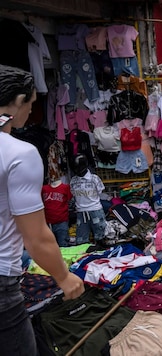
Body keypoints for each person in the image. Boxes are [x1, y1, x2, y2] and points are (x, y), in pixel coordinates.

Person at [0, 64, 84, 354]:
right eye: (31, 104)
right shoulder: (19, 153)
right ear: (19, 102)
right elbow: (35, 236)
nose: (31, 113)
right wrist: (63, 276)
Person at [69, 154, 108, 245]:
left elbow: (99, 192)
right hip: (81, 212)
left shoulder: (94, 179)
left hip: (95, 210)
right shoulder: (73, 181)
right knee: (81, 239)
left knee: (100, 236)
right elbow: (73, 194)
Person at [42, 178, 73, 247]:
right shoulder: (44, 189)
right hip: (48, 223)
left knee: (63, 246)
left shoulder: (65, 187)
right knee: (49, 246)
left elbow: (70, 201)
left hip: (62, 221)